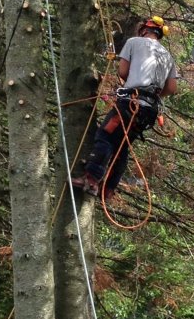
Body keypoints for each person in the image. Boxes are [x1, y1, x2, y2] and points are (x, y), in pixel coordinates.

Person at [71, 16, 178, 199]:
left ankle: (91, 179)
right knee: (121, 146)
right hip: (148, 112)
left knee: (105, 136)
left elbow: (122, 72)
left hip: (130, 103)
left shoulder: (134, 42)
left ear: (144, 29)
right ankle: (108, 190)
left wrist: (136, 87)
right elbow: (172, 88)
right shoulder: (168, 56)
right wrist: (150, 95)